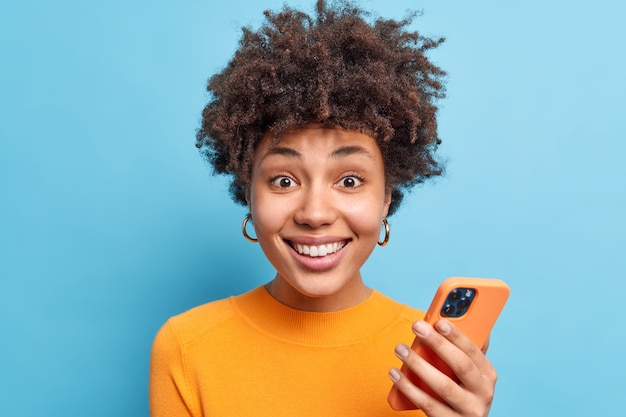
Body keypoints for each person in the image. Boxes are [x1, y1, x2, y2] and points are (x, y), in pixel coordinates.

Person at [149, 1, 498, 416]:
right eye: (284, 180)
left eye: (349, 181)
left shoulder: (433, 357)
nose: (314, 213)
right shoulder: (188, 347)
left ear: (387, 196)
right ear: (249, 193)